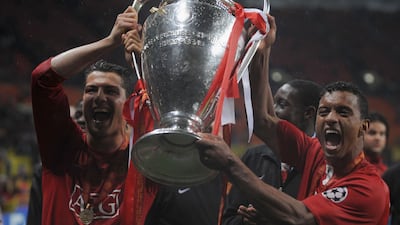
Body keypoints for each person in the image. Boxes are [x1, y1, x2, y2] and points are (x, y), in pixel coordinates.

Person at [195, 14, 390, 224]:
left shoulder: (369, 189)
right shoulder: (315, 153)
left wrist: (230, 163)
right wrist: (262, 50)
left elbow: (300, 217)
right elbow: (263, 120)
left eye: (343, 112)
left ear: (364, 126)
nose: (331, 118)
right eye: (324, 112)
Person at [31, 6, 158, 225]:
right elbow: (42, 78)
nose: (99, 97)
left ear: (127, 104)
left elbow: (166, 115)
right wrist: (109, 42)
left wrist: (144, 64)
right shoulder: (61, 151)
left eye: (110, 91)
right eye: (91, 90)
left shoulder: (141, 161)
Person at [222, 79, 323, 225]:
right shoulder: (254, 157)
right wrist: (245, 221)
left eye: (282, 104)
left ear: (308, 113)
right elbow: (228, 218)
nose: (273, 110)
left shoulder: (324, 164)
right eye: (274, 103)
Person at [26, 99, 85, 225]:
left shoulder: (113, 167)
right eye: (78, 115)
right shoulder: (45, 170)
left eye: (88, 115)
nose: (81, 120)